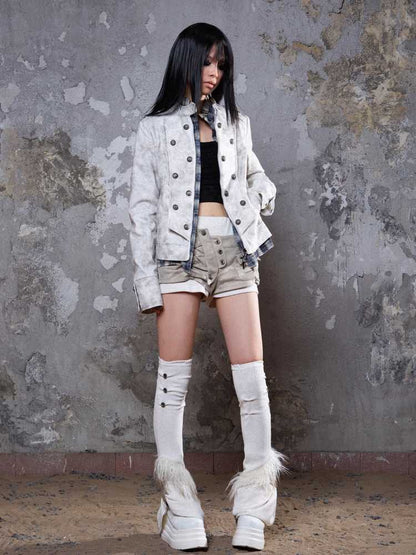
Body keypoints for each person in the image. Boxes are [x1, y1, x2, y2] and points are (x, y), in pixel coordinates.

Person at [129, 22, 288, 552]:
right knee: (172, 383)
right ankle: (179, 505)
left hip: (235, 253)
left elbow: (259, 180)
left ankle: (255, 503)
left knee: (252, 382)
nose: (214, 73)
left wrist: (256, 197)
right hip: (179, 257)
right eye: (206, 61)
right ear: (185, 60)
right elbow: (142, 211)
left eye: (221, 63)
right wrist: (146, 282)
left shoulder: (236, 123)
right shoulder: (153, 130)